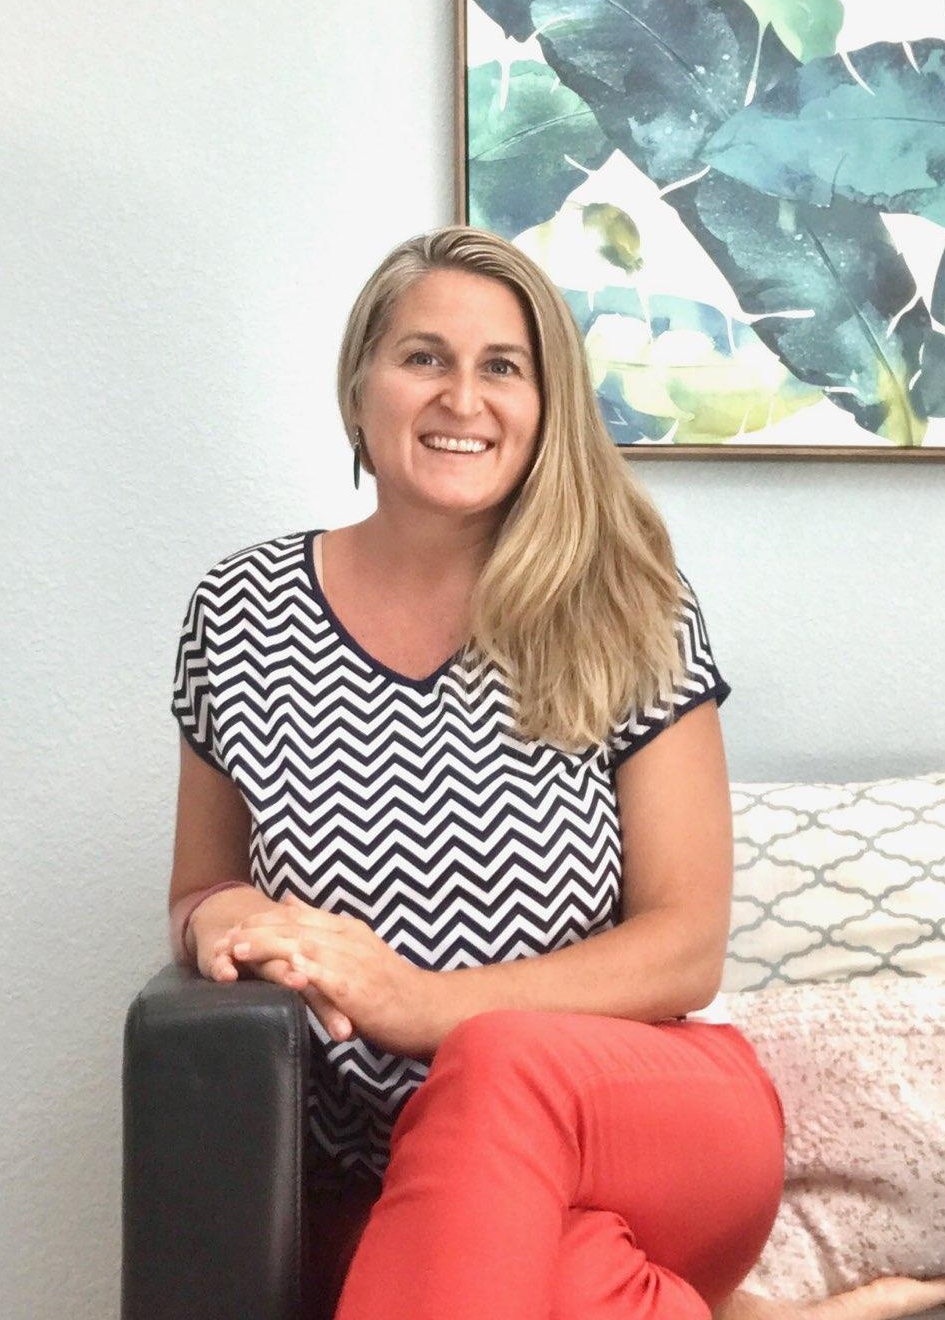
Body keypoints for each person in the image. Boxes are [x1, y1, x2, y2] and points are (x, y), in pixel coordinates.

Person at [167, 224, 784, 1320]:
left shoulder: (628, 604)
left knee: (500, 1058)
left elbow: (686, 944)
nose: (463, 397)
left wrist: (429, 1005)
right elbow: (201, 886)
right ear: (361, 388)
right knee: (568, 1282)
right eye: (423, 358)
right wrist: (218, 920)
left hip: (653, 1115)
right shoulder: (241, 612)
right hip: (408, 1166)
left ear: (545, 409)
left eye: (503, 366)